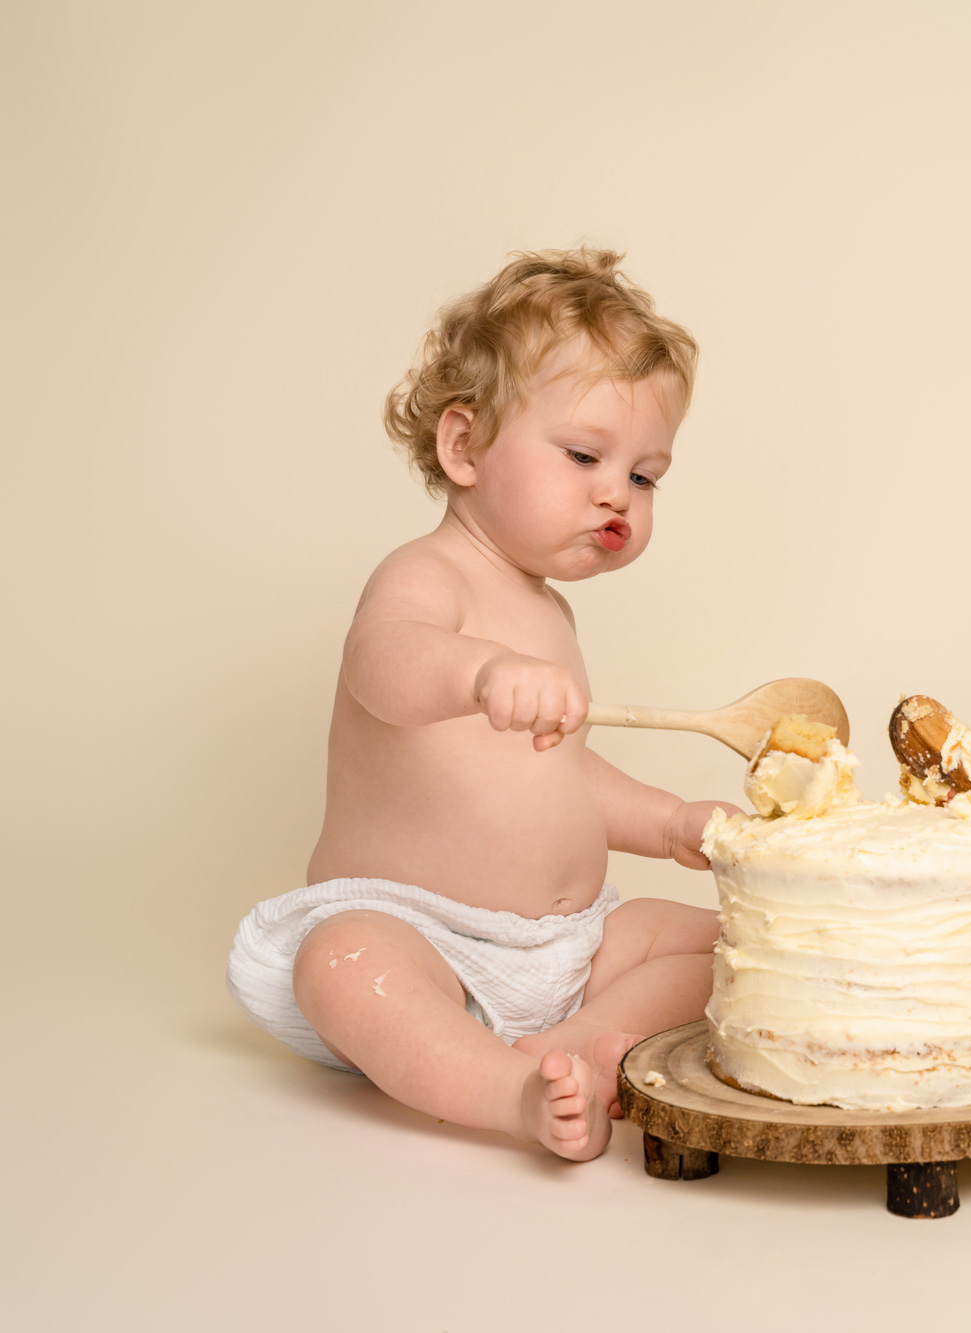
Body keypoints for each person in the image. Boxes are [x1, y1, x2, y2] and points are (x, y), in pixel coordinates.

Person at [227, 249, 734, 1160]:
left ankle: (585, 1038)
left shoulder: (551, 611)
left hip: (567, 947)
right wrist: (478, 671)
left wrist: (669, 823)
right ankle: (506, 1093)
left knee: (734, 946)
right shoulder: (427, 576)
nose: (617, 491)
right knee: (342, 966)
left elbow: (560, 775)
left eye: (645, 474)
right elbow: (381, 665)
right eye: (584, 454)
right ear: (464, 447)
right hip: (424, 938)